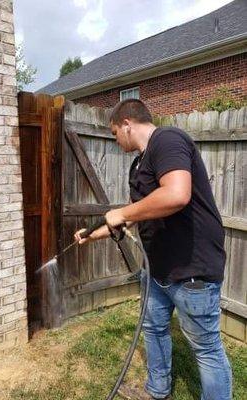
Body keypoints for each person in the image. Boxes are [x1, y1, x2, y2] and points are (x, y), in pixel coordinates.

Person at [74, 99, 232, 400]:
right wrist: (91, 234)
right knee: (154, 328)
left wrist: (123, 212)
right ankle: (157, 391)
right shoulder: (140, 163)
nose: (115, 140)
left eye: (114, 133)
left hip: (191, 271)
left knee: (207, 350)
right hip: (158, 270)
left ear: (126, 124)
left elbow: (176, 194)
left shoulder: (168, 140)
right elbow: (136, 215)